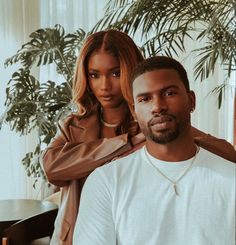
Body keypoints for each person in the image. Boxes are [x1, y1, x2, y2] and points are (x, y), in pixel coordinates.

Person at [41, 30, 236, 245]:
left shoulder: (156, 117)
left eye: (115, 73)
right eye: (94, 75)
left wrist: (161, 136)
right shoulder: (74, 126)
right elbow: (52, 168)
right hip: (78, 234)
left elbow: (225, 154)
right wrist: (128, 142)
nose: (104, 86)